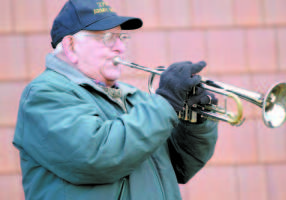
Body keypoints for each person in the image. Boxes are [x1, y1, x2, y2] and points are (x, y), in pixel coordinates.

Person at [13, 0, 218, 199]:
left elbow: (181, 167)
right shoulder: (44, 95)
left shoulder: (134, 97)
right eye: (109, 37)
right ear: (71, 46)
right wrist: (166, 102)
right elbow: (97, 157)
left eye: (122, 37)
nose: (120, 47)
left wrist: (194, 123)